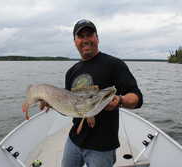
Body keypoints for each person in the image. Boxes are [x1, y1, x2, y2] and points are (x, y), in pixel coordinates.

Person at [61, 19, 143, 167]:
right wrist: (51, 103)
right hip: (74, 140)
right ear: (75, 41)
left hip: (102, 146)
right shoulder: (71, 72)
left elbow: (137, 98)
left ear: (97, 38)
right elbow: (68, 108)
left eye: (89, 35)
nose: (85, 40)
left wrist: (120, 100)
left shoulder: (114, 64)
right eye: (81, 36)